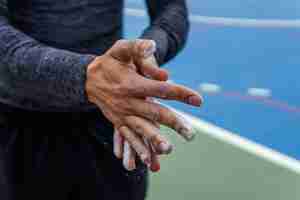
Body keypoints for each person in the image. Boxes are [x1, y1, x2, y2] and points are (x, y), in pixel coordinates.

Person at [0, 0, 202, 200]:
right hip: (20, 127)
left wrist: (144, 56)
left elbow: (171, 7)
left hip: (113, 118)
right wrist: (86, 75)